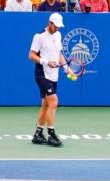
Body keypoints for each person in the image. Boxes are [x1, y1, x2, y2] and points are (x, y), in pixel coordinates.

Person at [29, 13, 73, 148]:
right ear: (50, 23)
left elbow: (59, 54)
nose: (58, 29)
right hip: (42, 74)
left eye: (60, 27)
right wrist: (46, 62)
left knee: (46, 104)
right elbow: (31, 55)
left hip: (54, 74)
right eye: (56, 26)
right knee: (53, 101)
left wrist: (67, 69)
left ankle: (38, 134)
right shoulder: (39, 36)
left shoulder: (58, 35)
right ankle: (51, 135)